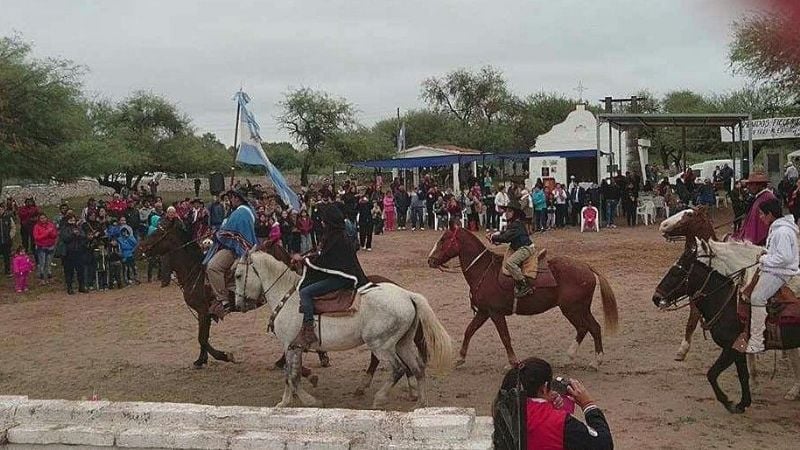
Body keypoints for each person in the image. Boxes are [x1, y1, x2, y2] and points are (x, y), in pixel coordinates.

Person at [492, 357, 613, 450]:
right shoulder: (559, 422)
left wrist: (549, 406)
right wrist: (588, 404)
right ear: (544, 388)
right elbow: (604, 444)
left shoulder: (504, 407)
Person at [291, 204, 368, 348]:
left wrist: (304, 260)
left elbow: (324, 260)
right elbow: (322, 254)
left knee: (305, 292)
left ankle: (308, 329)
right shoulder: (335, 236)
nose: (322, 222)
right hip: (339, 275)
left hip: (341, 279)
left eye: (324, 220)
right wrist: (307, 256)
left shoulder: (336, 239)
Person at [736, 198, 800, 354]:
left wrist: (764, 259)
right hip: (775, 268)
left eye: (762, 214)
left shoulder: (782, 232)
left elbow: (784, 257)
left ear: (770, 214)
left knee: (757, 297)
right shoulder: (779, 229)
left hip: (781, 272)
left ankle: (757, 341)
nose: (760, 218)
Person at [203, 190, 257, 320]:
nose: (229, 201)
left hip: (235, 249)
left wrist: (217, 234)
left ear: (236, 198)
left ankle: (223, 301)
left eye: (230, 198)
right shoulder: (244, 211)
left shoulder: (240, 213)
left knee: (213, 267)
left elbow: (229, 232)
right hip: (235, 246)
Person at [489, 198, 534, 298]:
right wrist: (496, 236)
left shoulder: (516, 224)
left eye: (509, 211)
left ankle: (524, 285)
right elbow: (506, 234)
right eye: (506, 211)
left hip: (525, 248)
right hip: (519, 247)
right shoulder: (514, 224)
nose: (507, 213)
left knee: (510, 263)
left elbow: (506, 237)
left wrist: (494, 237)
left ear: (516, 213)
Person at [732, 171, 777, 246]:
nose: (748, 187)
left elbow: (762, 226)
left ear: (759, 185)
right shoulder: (760, 197)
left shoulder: (766, 198)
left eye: (750, 184)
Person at [60, 214, 88, 294]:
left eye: (73, 220)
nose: (72, 222)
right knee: (69, 271)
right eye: (70, 220)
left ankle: (81, 286)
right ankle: (69, 287)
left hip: (78, 251)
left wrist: (78, 234)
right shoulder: (64, 228)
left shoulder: (78, 228)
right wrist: (73, 234)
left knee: (80, 270)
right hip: (68, 253)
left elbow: (83, 236)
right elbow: (65, 238)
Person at [32, 213, 58, 284]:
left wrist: (51, 233)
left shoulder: (51, 225)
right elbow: (37, 237)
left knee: (49, 262)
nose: (43, 219)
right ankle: (42, 277)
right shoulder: (36, 227)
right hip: (41, 247)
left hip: (50, 246)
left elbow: (55, 235)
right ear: (39, 219)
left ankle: (49, 276)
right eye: (41, 218)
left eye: (44, 218)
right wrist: (47, 232)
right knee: (42, 263)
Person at [0, 203, 16, 276]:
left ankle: (8, 271)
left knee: (6, 257)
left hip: (6, 241)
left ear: (3, 210)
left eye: (1, 209)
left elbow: (13, 227)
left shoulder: (8, 217)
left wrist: (10, 236)